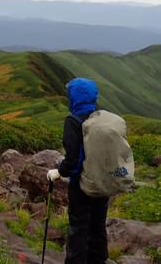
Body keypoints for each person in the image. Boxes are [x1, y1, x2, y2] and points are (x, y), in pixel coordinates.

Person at [47, 78, 109, 264]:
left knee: (78, 228)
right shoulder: (102, 118)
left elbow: (73, 161)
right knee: (98, 226)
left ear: (74, 97)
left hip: (81, 185)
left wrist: (58, 172)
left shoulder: (73, 121)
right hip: (102, 183)